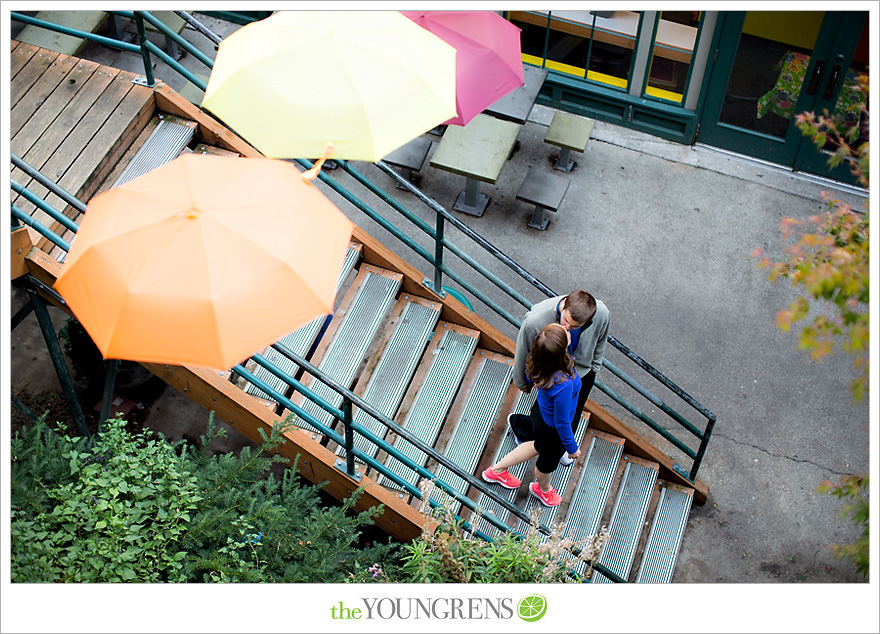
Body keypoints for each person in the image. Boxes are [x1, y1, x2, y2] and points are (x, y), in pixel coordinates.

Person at [481, 324, 581, 507]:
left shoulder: (538, 360)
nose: (568, 330)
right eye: (565, 332)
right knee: (545, 466)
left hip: (541, 414)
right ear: (560, 352)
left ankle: (497, 470)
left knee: (537, 445)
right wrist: (572, 448)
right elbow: (561, 422)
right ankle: (542, 490)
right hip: (553, 430)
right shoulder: (564, 384)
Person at [511, 290, 609, 465]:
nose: (567, 329)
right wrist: (522, 382)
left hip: (581, 374)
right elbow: (523, 351)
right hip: (552, 376)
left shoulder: (601, 313)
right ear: (564, 305)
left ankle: (554, 444)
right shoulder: (535, 321)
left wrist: (594, 367)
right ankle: (524, 431)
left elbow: (601, 339)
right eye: (566, 321)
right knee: (547, 416)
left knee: (572, 414)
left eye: (574, 326)